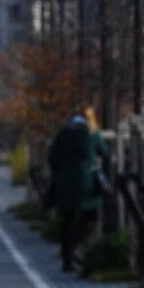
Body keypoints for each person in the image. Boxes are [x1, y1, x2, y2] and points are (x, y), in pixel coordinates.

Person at [48, 108, 107, 273]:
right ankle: (76, 246)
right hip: (86, 184)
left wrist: (60, 173)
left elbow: (52, 158)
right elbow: (104, 151)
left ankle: (67, 260)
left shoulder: (62, 135)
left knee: (67, 222)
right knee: (91, 218)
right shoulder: (91, 133)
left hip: (64, 184)